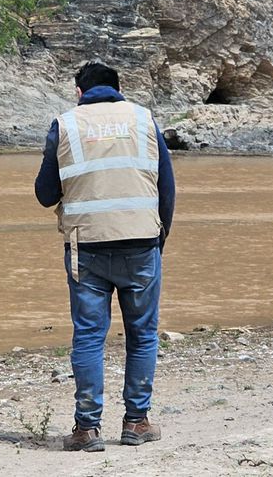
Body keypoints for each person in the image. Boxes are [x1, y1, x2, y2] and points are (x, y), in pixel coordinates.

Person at [34, 62, 176, 452]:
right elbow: (167, 187)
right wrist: (159, 237)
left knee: (89, 337)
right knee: (142, 335)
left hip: (87, 247)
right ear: (119, 87)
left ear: (79, 92)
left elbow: (45, 193)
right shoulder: (145, 120)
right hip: (142, 243)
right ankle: (136, 422)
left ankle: (86, 429)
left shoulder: (65, 125)